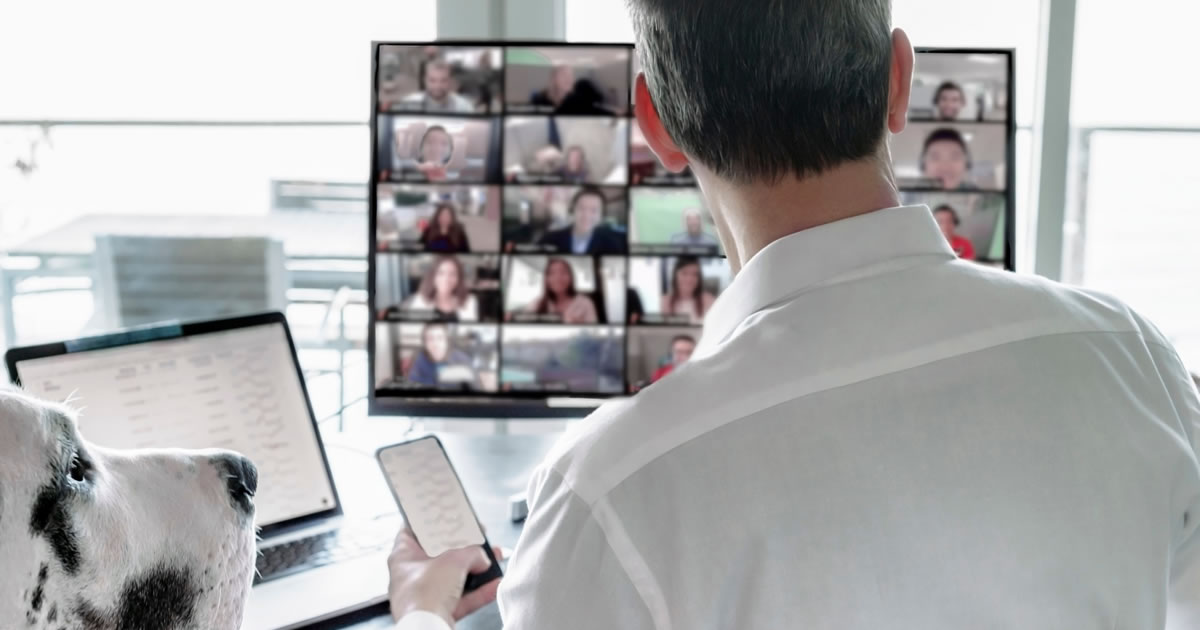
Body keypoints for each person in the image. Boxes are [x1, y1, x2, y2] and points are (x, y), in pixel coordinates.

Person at [387, 1, 1200, 629]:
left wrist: (422, 613)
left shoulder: (608, 493)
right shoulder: (1134, 360)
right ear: (899, 81)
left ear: (655, 124)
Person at [538, 186, 627, 255]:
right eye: (581, 208)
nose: (586, 215)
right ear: (572, 210)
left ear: (601, 215)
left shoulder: (613, 244)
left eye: (594, 210)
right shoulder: (549, 239)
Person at [404, 255, 479, 322]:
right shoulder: (420, 301)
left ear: (459, 278)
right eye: (441, 273)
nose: (446, 279)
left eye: (452, 274)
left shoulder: (470, 301)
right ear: (433, 276)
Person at [524, 257, 597, 324]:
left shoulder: (585, 303)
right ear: (546, 279)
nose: (558, 278)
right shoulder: (536, 304)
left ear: (571, 277)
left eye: (563, 272)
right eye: (552, 273)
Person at [406, 322, 473, 387]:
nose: (435, 344)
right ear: (425, 343)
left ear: (447, 341)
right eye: (430, 339)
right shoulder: (419, 359)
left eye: (440, 338)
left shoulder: (463, 361)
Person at [659, 255, 716, 325]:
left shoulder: (709, 300)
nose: (689, 279)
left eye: (695, 274)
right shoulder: (665, 301)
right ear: (675, 275)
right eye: (684, 273)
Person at [402, 59, 475, 113]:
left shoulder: (464, 107)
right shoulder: (408, 104)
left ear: (450, 81)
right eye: (432, 80)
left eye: (443, 80)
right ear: (424, 81)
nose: (437, 86)